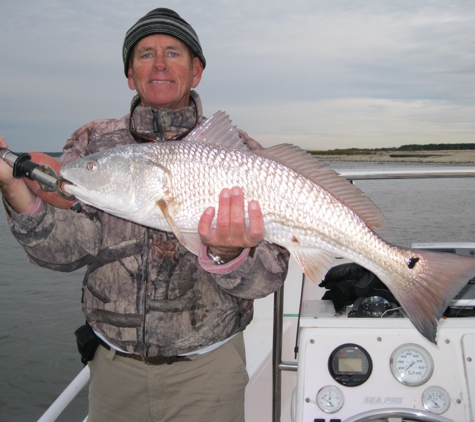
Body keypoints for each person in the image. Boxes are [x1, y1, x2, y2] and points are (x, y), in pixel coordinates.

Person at [0, 8, 289, 422]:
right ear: (130, 75)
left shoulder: (241, 154)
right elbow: (63, 252)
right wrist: (15, 192)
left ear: (197, 70)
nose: (158, 64)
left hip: (207, 371)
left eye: (173, 53)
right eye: (144, 55)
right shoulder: (93, 143)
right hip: (114, 369)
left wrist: (228, 255)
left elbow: (271, 275)